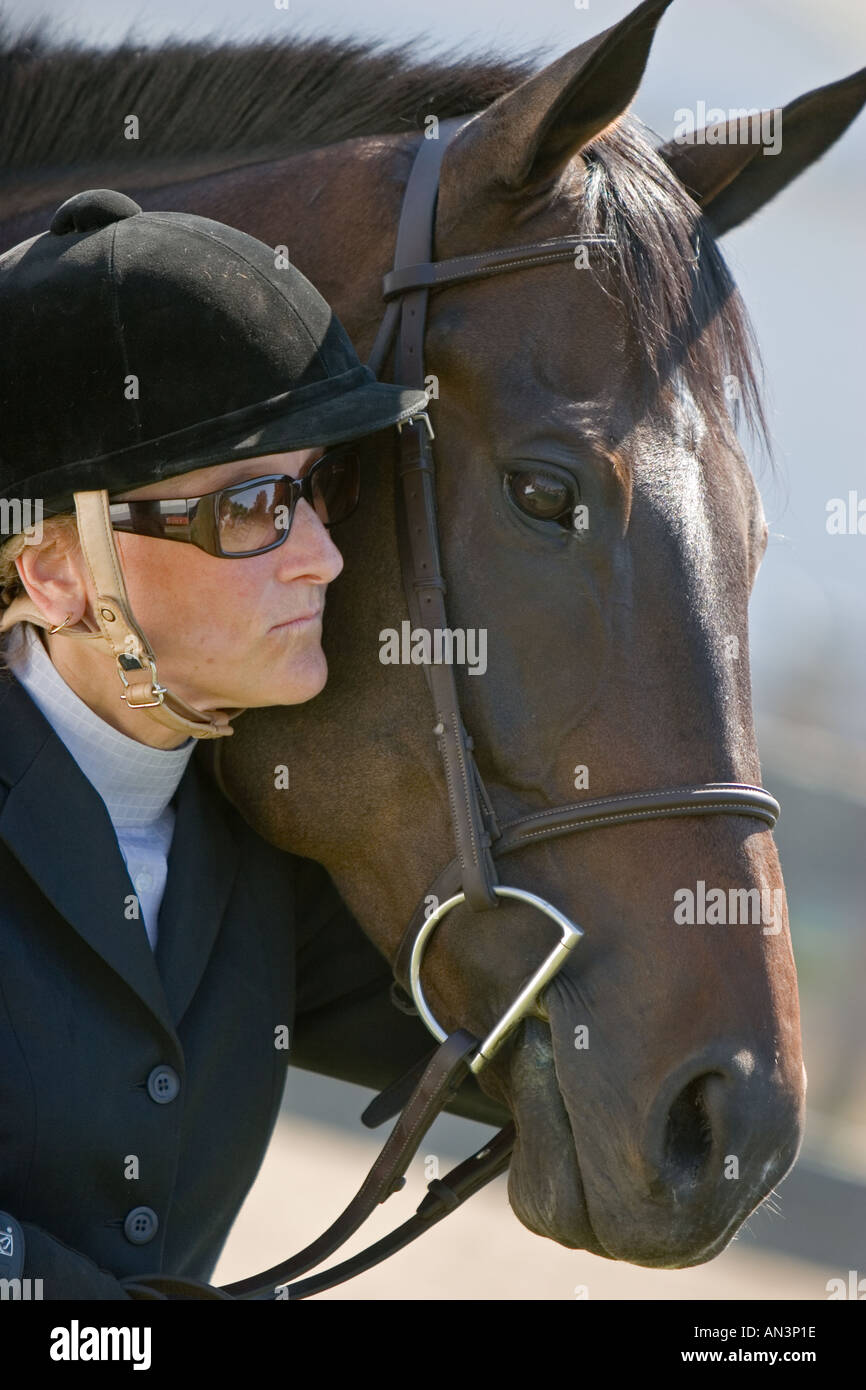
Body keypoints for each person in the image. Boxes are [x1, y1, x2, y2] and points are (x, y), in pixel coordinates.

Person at [0, 189, 506, 1300]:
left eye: (320, 488)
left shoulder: (264, 847)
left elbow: (502, 1031)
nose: (323, 556)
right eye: (248, 508)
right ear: (56, 573)